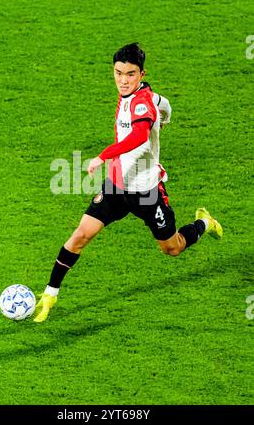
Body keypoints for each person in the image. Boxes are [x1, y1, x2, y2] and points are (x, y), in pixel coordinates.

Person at [33, 42, 223, 323]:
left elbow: (139, 137)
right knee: (81, 235)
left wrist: (103, 155)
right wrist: (166, 118)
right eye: (118, 73)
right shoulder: (149, 97)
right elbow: (164, 105)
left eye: (130, 74)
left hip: (147, 193)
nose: (123, 80)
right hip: (116, 188)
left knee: (172, 249)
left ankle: (204, 223)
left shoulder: (142, 103)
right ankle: (49, 294)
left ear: (141, 73)